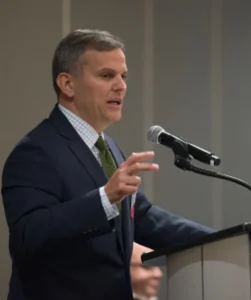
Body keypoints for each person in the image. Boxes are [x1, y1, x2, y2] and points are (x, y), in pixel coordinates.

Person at [1, 29, 214, 300]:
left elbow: (145, 218)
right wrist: (104, 198)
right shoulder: (35, 151)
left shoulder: (108, 147)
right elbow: (27, 237)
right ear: (67, 84)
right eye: (106, 75)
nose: (121, 85)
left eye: (123, 76)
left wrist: (230, 238)